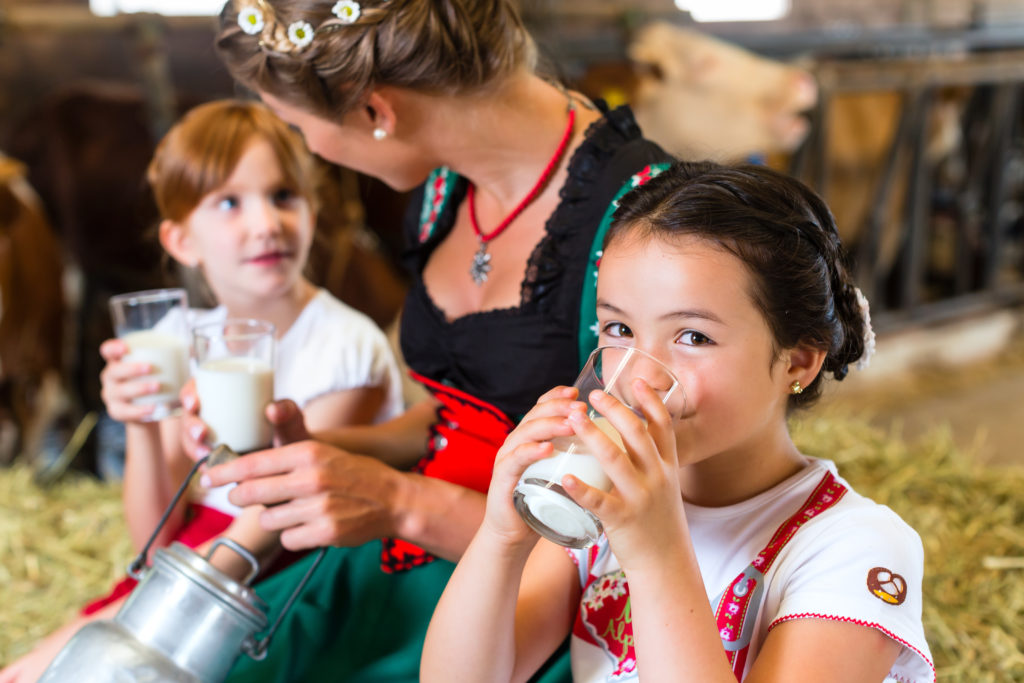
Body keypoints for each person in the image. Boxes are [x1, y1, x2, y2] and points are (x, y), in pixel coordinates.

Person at [160, 0, 677, 680]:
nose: (312, 148)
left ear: (377, 112)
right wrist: (331, 452)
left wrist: (400, 501)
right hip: (399, 554)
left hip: (528, 603)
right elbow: (460, 411)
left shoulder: (649, 221)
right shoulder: (440, 191)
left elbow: (641, 527)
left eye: (298, 126)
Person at [422, 161, 934, 683]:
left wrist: (656, 554)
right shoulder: (601, 493)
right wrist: (500, 538)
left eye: (693, 337)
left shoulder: (852, 546)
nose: (639, 376)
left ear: (798, 362)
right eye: (618, 327)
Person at [0, 99, 403, 683]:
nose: (265, 223)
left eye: (284, 196)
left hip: (279, 572)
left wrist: (134, 619)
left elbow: (274, 521)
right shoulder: (181, 339)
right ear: (182, 240)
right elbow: (154, 533)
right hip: (184, 557)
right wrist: (142, 417)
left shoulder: (347, 345)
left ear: (315, 210)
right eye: (230, 203)